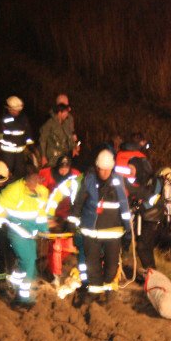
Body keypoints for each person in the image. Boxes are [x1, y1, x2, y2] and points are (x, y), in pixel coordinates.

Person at [0, 164, 49, 308]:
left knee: (30, 264)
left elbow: (41, 213)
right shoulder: (13, 191)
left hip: (30, 235)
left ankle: (20, 288)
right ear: (26, 183)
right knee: (26, 262)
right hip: (16, 232)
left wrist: (44, 228)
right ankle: (23, 297)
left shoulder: (42, 192)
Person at [68, 150, 131, 305]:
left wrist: (128, 230)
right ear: (96, 167)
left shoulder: (118, 181)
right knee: (92, 264)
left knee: (111, 264)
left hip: (113, 232)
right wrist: (72, 221)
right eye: (101, 169)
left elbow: (124, 206)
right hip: (91, 231)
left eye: (107, 169)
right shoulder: (88, 180)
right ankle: (94, 291)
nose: (104, 173)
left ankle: (109, 290)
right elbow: (79, 203)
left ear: (112, 168)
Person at [40, 155, 82, 285]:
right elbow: (43, 195)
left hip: (71, 215)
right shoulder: (46, 175)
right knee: (56, 243)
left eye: (66, 168)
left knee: (70, 244)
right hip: (53, 215)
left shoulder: (76, 176)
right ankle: (53, 272)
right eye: (61, 168)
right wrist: (47, 216)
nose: (63, 171)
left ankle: (56, 267)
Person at [0, 95, 35, 180]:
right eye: (13, 110)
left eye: (17, 110)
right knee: (6, 173)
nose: (15, 112)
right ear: (9, 108)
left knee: (20, 173)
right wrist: (7, 138)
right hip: (7, 153)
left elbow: (28, 133)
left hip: (20, 153)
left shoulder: (23, 119)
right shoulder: (4, 119)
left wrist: (31, 147)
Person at [39, 103, 76, 168]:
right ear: (59, 113)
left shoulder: (65, 124)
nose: (67, 115)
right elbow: (43, 140)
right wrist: (43, 156)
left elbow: (69, 137)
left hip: (64, 154)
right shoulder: (49, 124)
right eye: (65, 113)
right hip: (52, 156)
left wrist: (73, 147)